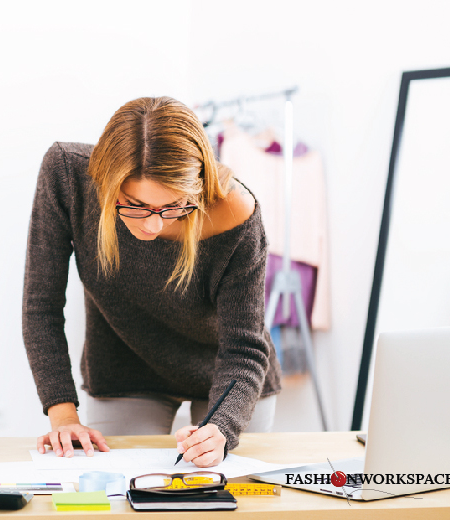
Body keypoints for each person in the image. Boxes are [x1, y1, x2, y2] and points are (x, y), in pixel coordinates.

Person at [22, 96, 281, 468]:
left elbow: (244, 346)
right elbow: (41, 306)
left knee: (225, 498)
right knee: (120, 498)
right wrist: (63, 418)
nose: (153, 225)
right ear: (106, 183)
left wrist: (222, 428)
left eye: (175, 206)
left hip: (227, 372)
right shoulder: (67, 177)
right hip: (126, 365)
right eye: (135, 204)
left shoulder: (235, 211)